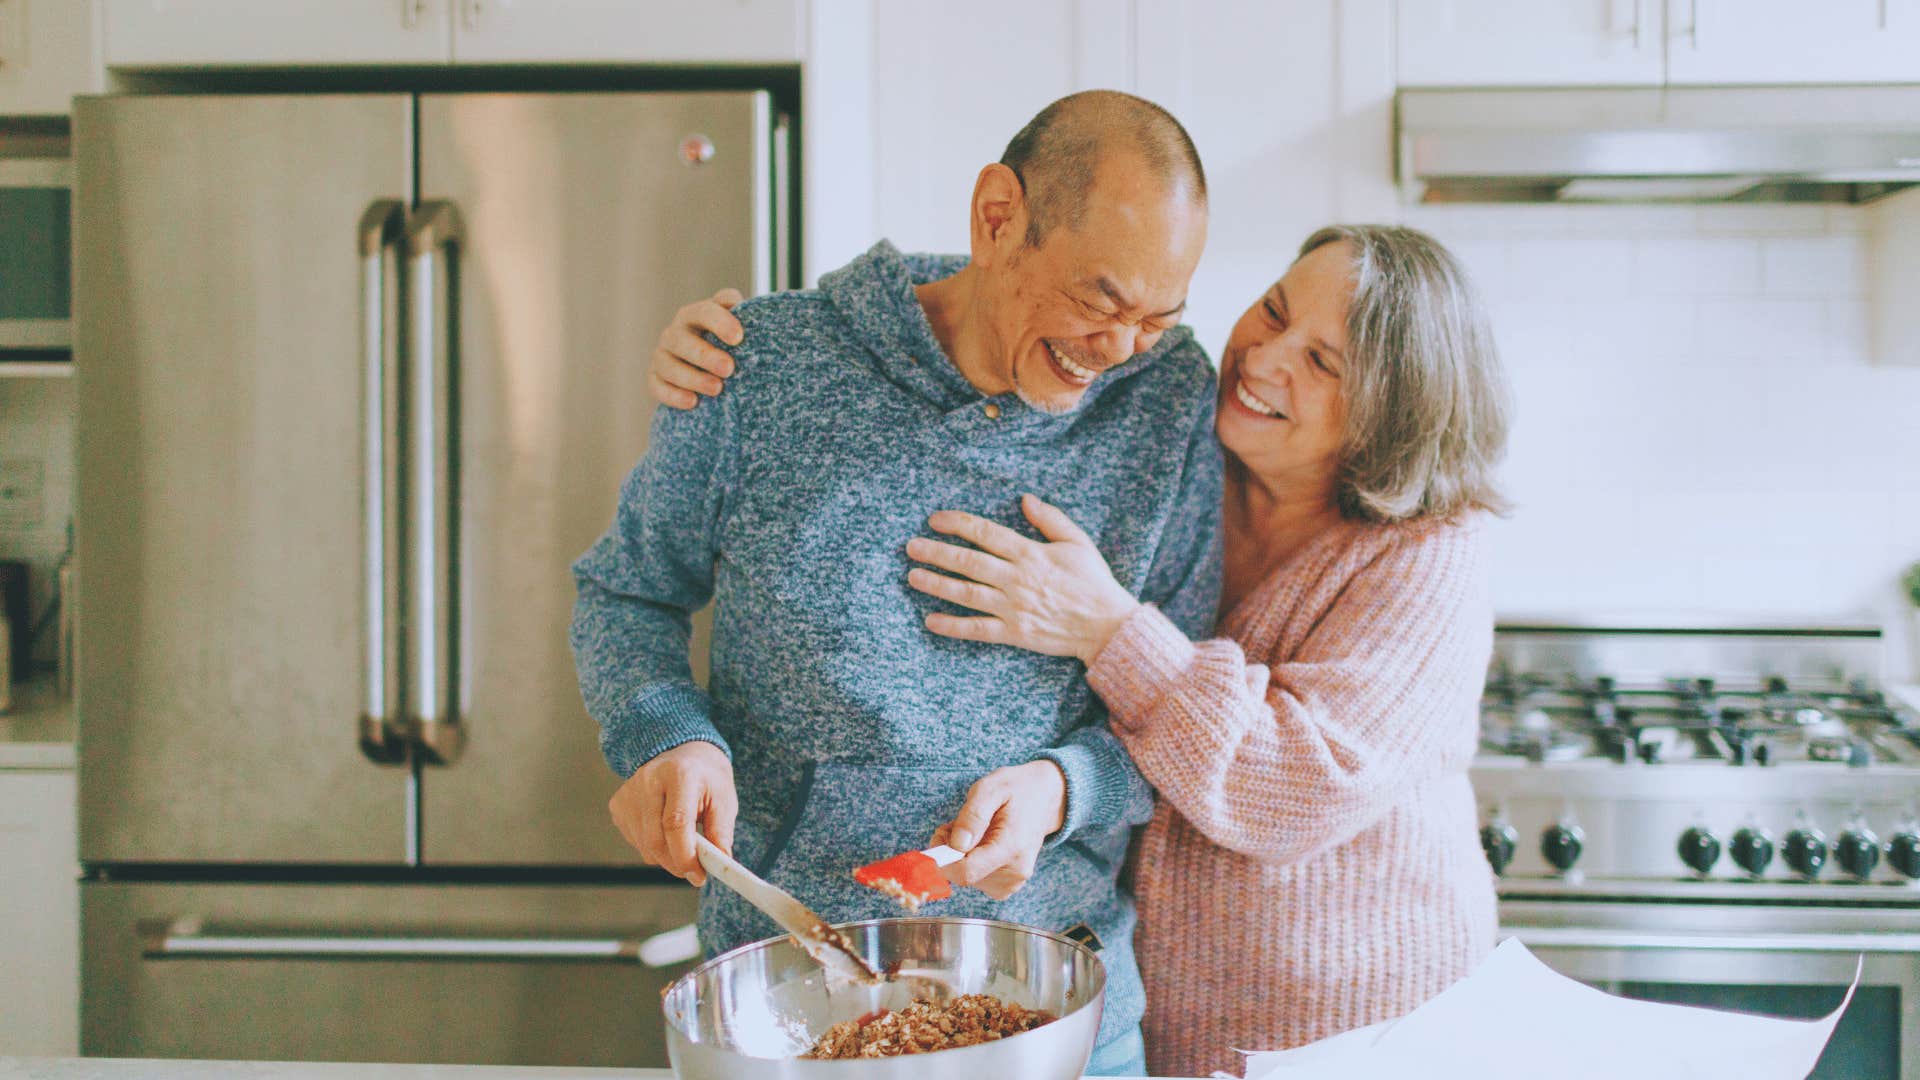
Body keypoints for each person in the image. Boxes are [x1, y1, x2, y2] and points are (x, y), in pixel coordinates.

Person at [650, 223, 1513, 1077]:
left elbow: (1295, 786)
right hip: (1157, 1014)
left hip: (1361, 1033)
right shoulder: (1192, 447)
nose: (1264, 357)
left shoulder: (1431, 553)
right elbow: (1016, 303)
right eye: (1275, 310)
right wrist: (766, 339)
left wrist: (1107, 629)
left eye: (1322, 362)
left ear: (1394, 417)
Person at [571, 90, 1223, 1077]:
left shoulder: (1168, 401)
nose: (1119, 350)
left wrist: (1062, 788)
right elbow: (627, 595)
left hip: (1061, 1017)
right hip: (790, 1005)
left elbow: (1182, 701)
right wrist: (667, 736)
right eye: (1100, 301)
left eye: (1158, 318)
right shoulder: (764, 368)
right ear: (998, 216)